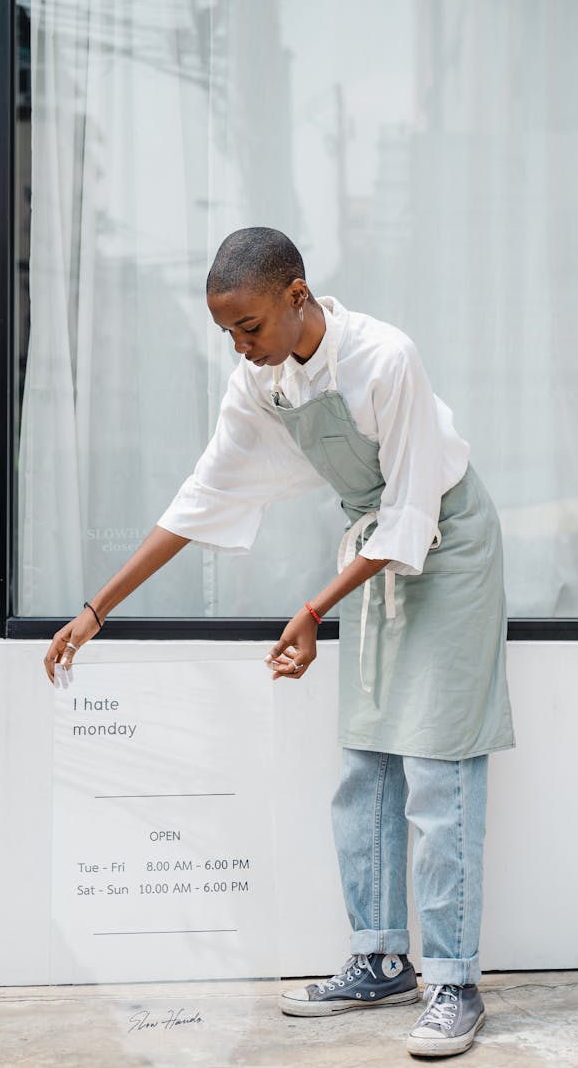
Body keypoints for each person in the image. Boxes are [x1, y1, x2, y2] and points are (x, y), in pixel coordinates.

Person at [44, 227, 515, 1059]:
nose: (240, 345)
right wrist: (96, 608)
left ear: (297, 295)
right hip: (373, 554)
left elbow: (412, 512)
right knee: (366, 762)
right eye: (227, 331)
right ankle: (379, 959)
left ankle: (455, 981)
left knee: (439, 767)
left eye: (250, 325)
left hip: (448, 543)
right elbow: (201, 495)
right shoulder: (260, 383)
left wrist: (311, 610)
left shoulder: (386, 357)